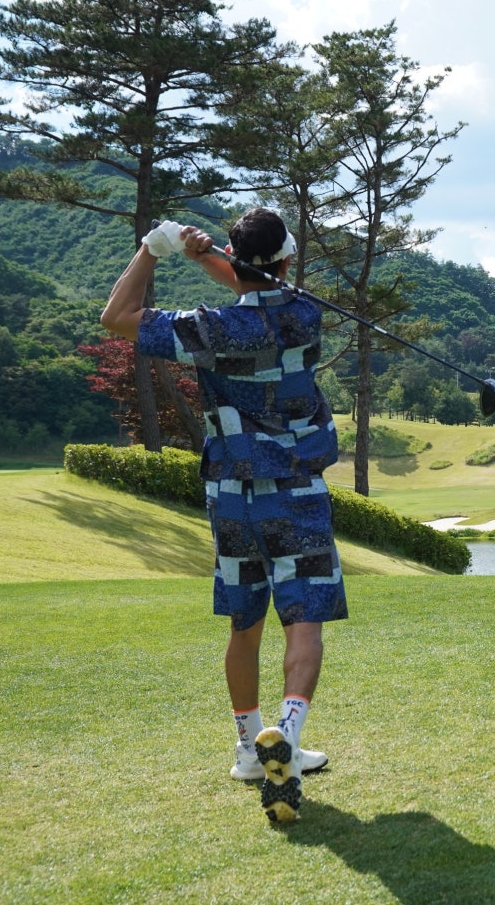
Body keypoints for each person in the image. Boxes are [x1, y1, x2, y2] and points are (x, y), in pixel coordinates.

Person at [101, 208, 347, 823]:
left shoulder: (209, 329)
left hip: (233, 494)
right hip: (297, 488)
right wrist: (208, 254)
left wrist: (155, 251)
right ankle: (287, 730)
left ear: (239, 259)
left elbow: (117, 319)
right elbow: (252, 285)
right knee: (304, 622)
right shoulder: (304, 314)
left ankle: (248, 748)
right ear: (287, 259)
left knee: (245, 625)